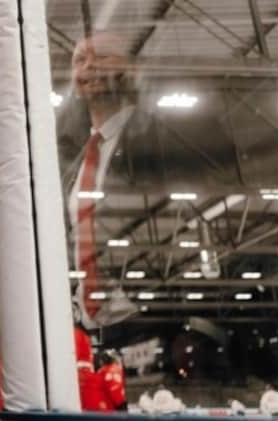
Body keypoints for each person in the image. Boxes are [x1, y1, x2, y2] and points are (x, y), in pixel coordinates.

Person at [58, 31, 239, 329]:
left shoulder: (166, 140)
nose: (88, 67)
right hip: (91, 325)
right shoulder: (72, 164)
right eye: (79, 60)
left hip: (150, 316)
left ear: (131, 70)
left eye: (102, 57)